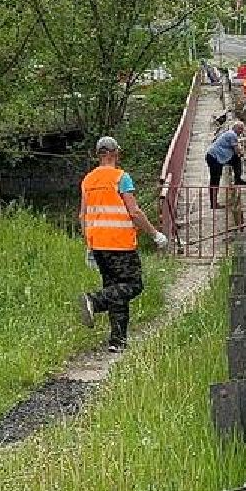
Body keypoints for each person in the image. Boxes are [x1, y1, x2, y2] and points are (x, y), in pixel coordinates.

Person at [78, 135, 167, 352]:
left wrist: (89, 244)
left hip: (98, 245)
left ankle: (117, 341)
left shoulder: (88, 180)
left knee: (115, 289)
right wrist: (155, 234)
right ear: (115, 153)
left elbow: (83, 215)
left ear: (98, 154)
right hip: (120, 244)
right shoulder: (121, 178)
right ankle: (94, 301)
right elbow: (134, 212)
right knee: (133, 285)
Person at [205, 118, 246, 209]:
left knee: (236, 160)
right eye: (240, 129)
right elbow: (236, 151)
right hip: (215, 158)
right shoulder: (232, 135)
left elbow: (236, 150)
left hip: (218, 157)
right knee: (215, 180)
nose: (241, 131)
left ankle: (238, 179)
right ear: (235, 128)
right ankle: (213, 203)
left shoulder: (230, 133)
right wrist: (242, 153)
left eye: (242, 129)